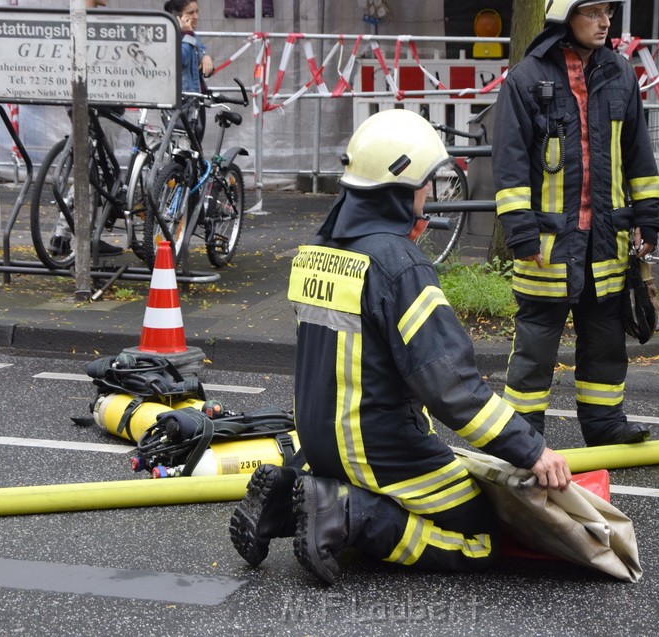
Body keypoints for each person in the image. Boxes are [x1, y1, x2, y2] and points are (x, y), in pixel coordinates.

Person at [229, 109, 572, 585]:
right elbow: (449, 383)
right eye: (426, 182)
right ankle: (349, 514)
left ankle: (293, 500)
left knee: (377, 496)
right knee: (480, 539)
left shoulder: (319, 251)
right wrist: (530, 450)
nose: (430, 193)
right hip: (381, 449)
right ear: (401, 184)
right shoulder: (398, 265)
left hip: (319, 444)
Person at [491, 0, 659, 446]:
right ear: (565, 16)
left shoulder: (620, 74)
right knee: (536, 345)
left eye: (608, 11)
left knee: (606, 339)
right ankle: (524, 437)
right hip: (548, 241)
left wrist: (648, 220)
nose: (605, 21)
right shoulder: (526, 79)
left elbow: (638, 156)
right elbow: (509, 164)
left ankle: (606, 427)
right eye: (593, 12)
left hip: (606, 238)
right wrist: (520, 232)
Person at [49, 0, 122, 257]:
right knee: (92, 169)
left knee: (90, 166)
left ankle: (71, 234)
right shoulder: (92, 24)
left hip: (85, 100)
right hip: (101, 103)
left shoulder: (74, 20)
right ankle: (69, 234)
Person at [164, 0, 214, 143]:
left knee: (196, 148)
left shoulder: (192, 35)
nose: (196, 16)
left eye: (197, 11)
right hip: (182, 101)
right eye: (191, 13)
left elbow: (202, 58)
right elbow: (181, 60)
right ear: (178, 16)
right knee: (182, 148)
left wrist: (206, 57)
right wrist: (187, 33)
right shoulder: (172, 35)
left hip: (196, 99)